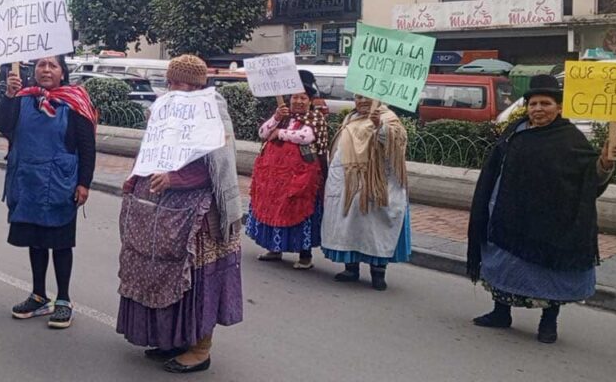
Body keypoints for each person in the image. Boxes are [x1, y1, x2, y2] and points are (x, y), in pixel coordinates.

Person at [116, 55, 244, 375]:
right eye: (170, 81)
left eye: (180, 83)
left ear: (197, 85)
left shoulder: (211, 111)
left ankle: (200, 349)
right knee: (163, 274)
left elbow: (218, 167)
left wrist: (176, 179)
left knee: (197, 279)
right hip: (162, 210)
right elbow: (151, 150)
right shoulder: (164, 108)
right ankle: (173, 338)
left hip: (199, 216)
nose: (172, 87)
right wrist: (136, 177)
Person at [467, 75, 616, 344]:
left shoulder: (570, 139)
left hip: (550, 222)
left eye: (545, 103)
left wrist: (605, 163)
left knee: (549, 273)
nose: (538, 109)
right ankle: (501, 312)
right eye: (533, 103)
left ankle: (548, 322)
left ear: (558, 107)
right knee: (503, 266)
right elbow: (496, 168)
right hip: (508, 216)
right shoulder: (515, 131)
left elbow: (588, 177)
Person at [0, 55, 96, 329]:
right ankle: (38, 295)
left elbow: (87, 146)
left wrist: (84, 183)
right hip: (27, 181)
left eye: (52, 65)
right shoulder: (23, 97)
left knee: (61, 243)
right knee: (36, 241)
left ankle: (63, 299)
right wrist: (10, 96)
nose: (46, 70)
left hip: (61, 183)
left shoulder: (75, 101)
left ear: (62, 72)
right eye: (41, 65)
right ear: (33, 71)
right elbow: (3, 126)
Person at [321, 94, 411, 291]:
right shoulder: (350, 118)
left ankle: (378, 273)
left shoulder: (388, 117)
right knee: (349, 226)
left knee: (375, 229)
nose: (362, 101)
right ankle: (350, 269)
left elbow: (397, 141)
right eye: (358, 97)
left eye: (367, 97)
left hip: (376, 186)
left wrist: (380, 127)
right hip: (349, 185)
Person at [245, 82, 329, 268]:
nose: (298, 101)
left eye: (303, 98)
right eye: (295, 97)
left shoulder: (315, 117)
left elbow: (305, 136)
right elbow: (263, 132)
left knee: (301, 211)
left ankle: (305, 256)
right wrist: (276, 118)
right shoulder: (284, 115)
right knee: (275, 208)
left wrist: (280, 133)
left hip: (302, 177)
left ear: (310, 101)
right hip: (275, 178)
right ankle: (274, 248)